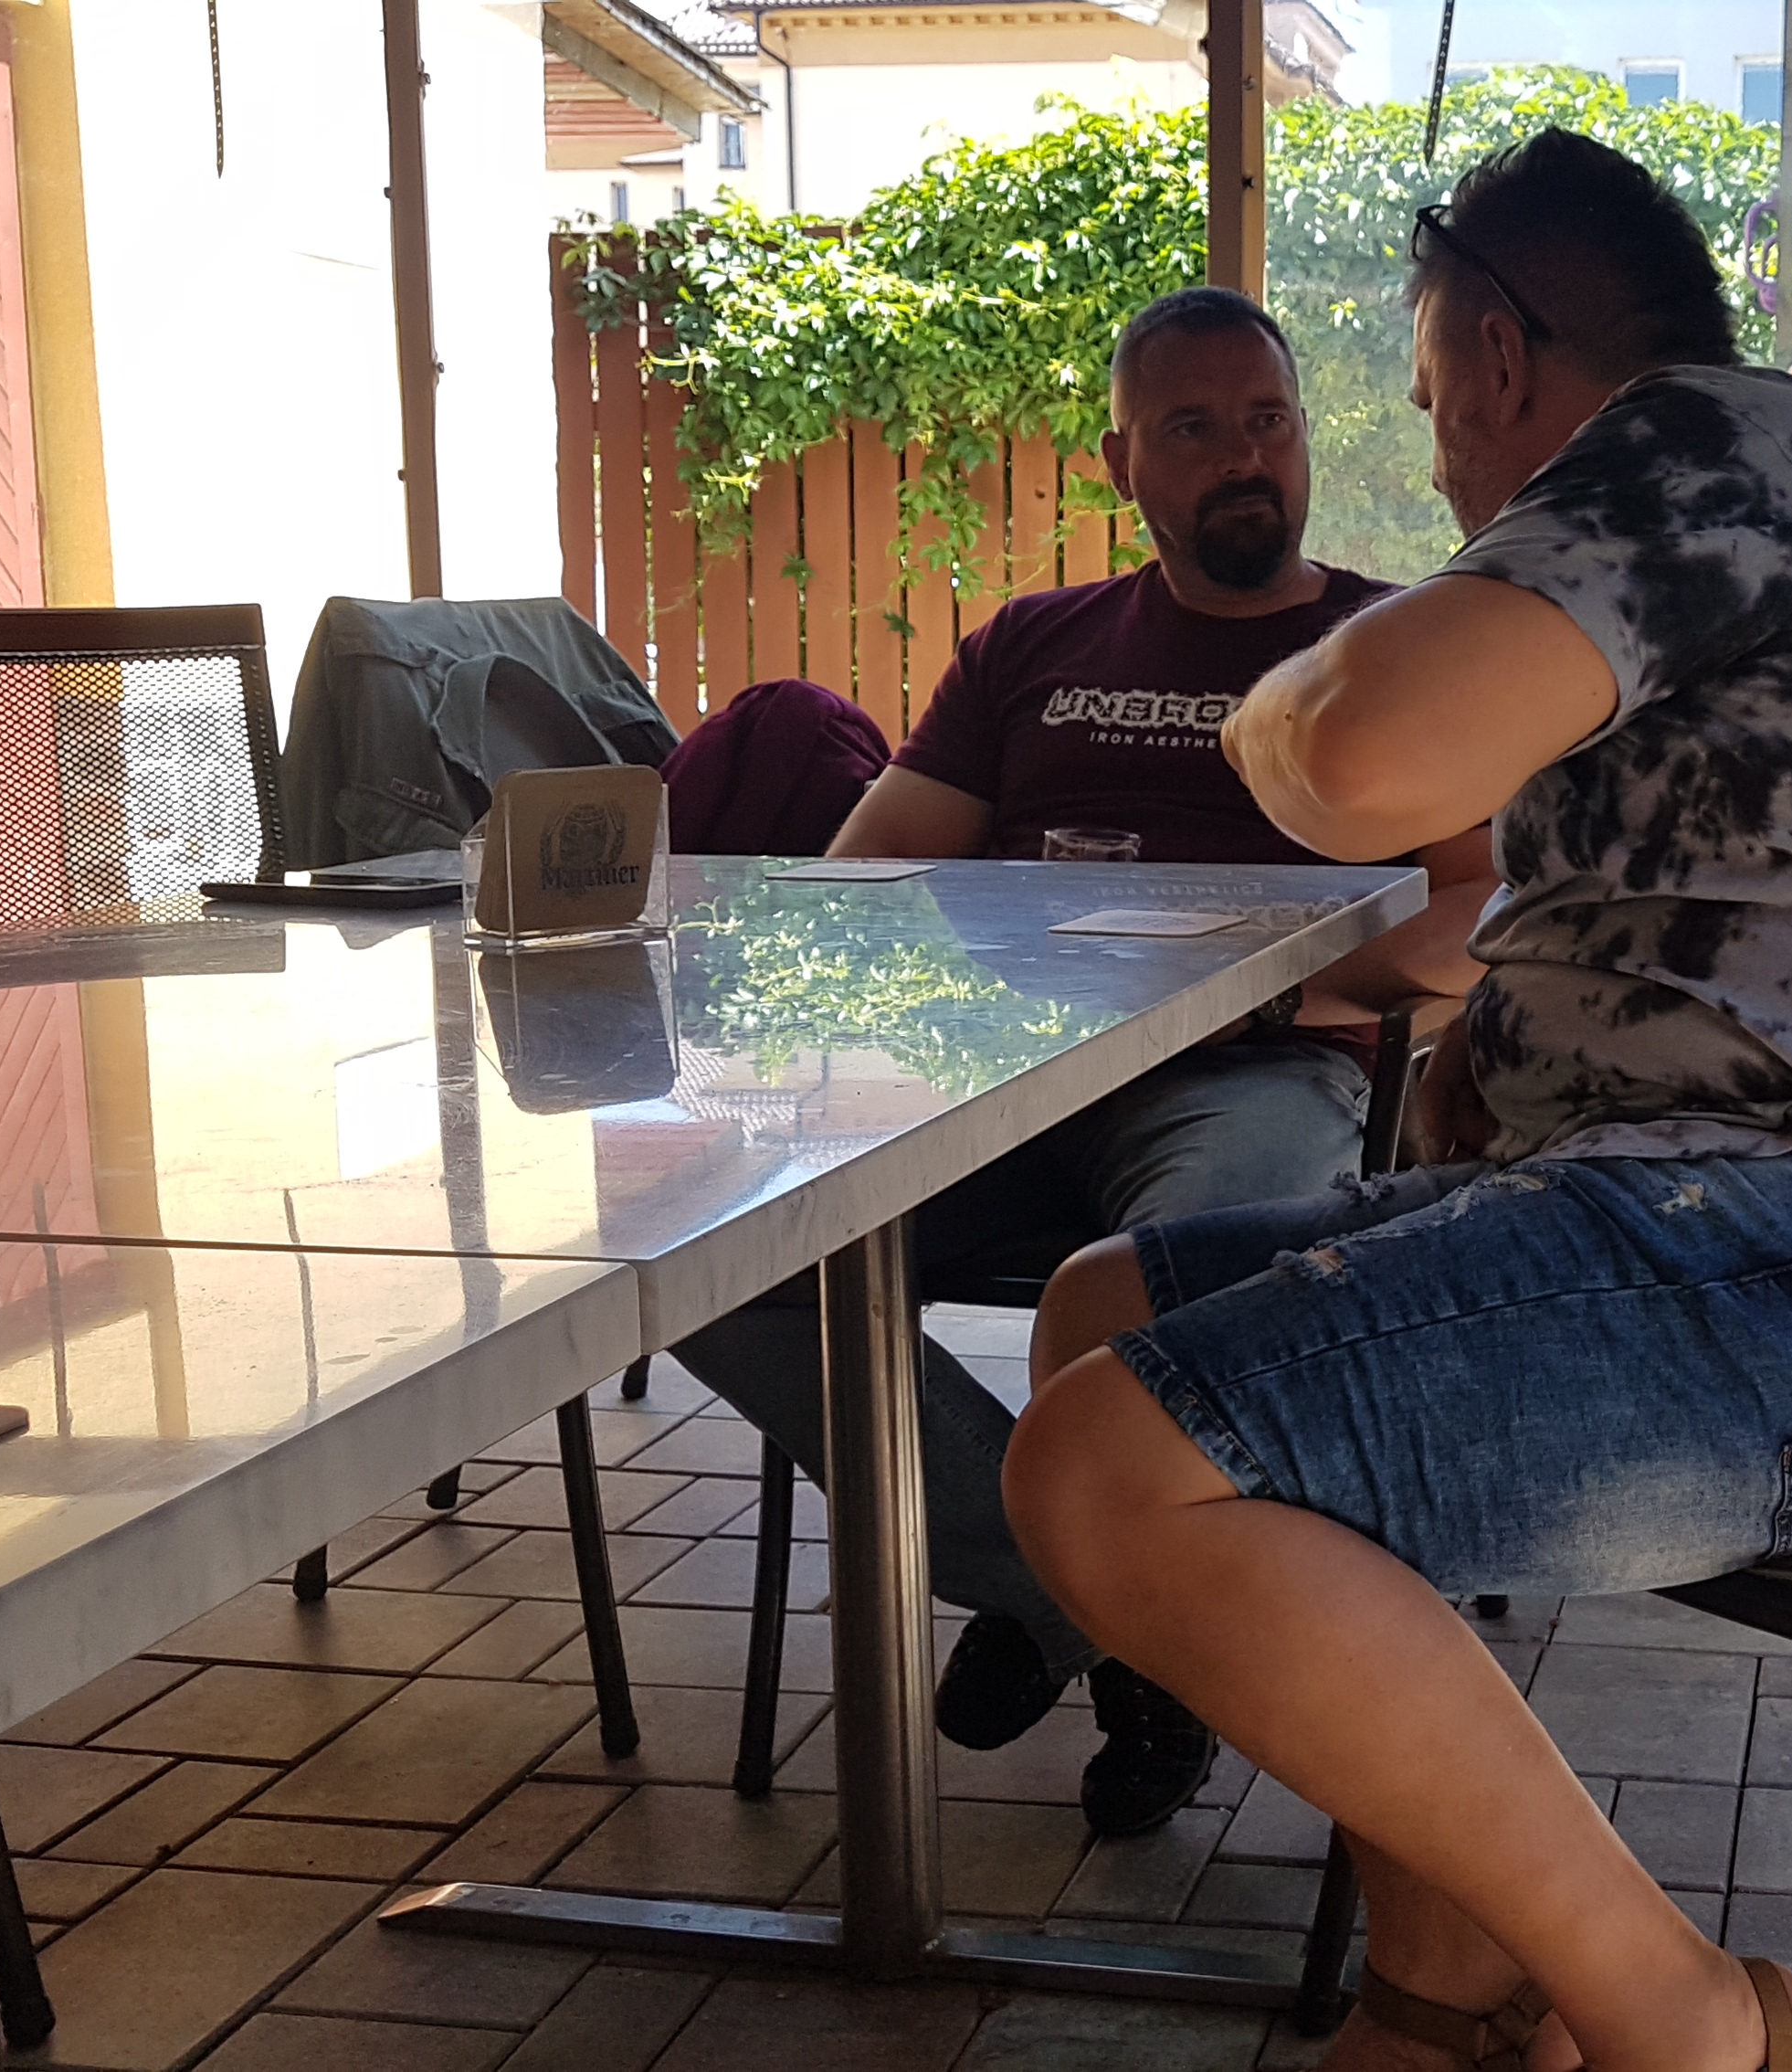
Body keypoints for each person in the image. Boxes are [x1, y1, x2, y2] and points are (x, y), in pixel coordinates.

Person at [998, 131, 1792, 2072]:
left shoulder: (1709, 446)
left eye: (1424, 402)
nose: (1441, 467)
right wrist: (1513, 1038)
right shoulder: (1772, 510)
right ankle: (1447, 1994)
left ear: (1497, 356)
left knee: (1110, 1464)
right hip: (1783, 1225)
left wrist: (1264, 704)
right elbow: (1745, 890)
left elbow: (1359, 755)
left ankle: (1701, 2025)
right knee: (1102, 1312)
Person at [670, 285, 1498, 1840]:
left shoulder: (1388, 654)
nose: (1244, 455)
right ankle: (1088, 1604)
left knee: (1189, 1286)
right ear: (1123, 463)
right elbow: (868, 880)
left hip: (1255, 1073)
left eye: (1269, 419)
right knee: (715, 1246)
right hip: (991, 1070)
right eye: (1195, 427)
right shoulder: (1032, 647)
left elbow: (1483, 908)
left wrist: (1291, 990)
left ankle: (1085, 1599)